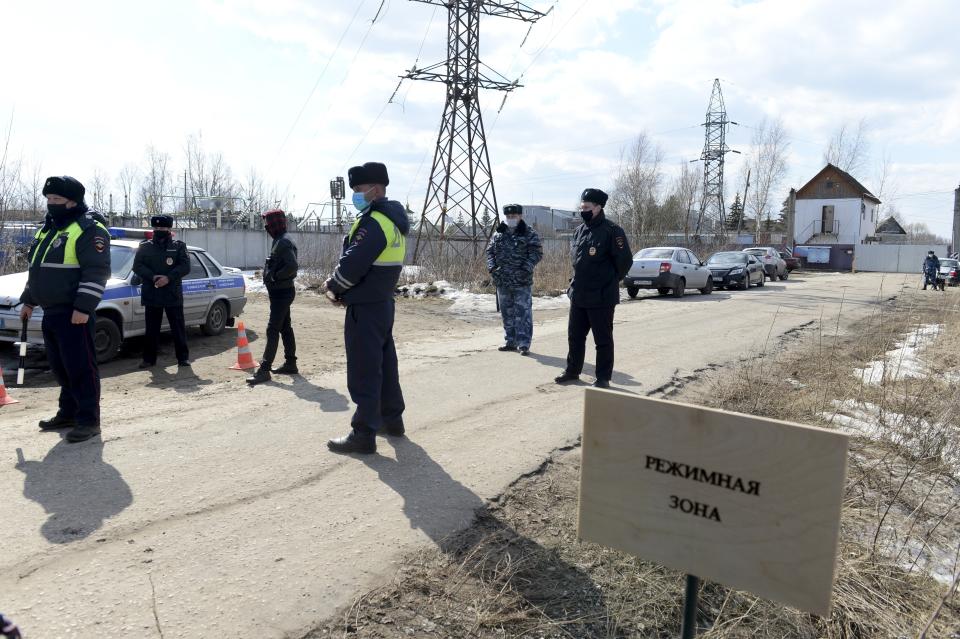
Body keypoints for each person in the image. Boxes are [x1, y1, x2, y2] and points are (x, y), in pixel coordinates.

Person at [323, 162, 408, 454]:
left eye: (359, 190)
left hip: (366, 307)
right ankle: (391, 419)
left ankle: (363, 433)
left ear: (376, 188)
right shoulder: (393, 221)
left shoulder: (374, 222)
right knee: (385, 365)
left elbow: (353, 264)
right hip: (383, 302)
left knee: (364, 369)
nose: (356, 196)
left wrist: (333, 287)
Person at [19, 176, 111, 443]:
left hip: (74, 313)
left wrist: (83, 307)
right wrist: (28, 301)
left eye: (57, 200)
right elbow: (36, 271)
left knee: (81, 367)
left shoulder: (89, 230)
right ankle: (68, 412)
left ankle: (88, 420)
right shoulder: (47, 230)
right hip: (51, 312)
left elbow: (97, 272)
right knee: (61, 368)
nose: (51, 204)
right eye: (48, 199)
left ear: (72, 202)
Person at [554, 188, 632, 389]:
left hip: (601, 296)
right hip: (579, 294)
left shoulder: (613, 231)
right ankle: (572, 371)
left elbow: (624, 262)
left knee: (602, 340)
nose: (583, 211)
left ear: (598, 207)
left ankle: (603, 377)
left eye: (587, 207)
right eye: (582, 207)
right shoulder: (580, 231)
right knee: (575, 337)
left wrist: (609, 281)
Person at [247, 209, 299, 385]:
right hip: (281, 292)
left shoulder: (283, 241)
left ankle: (264, 370)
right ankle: (291, 363)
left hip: (282, 293)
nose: (266, 228)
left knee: (272, 329)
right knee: (285, 327)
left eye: (268, 224)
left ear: (274, 225)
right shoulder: (281, 239)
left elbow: (292, 266)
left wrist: (275, 276)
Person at [132, 215, 191, 368]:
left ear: (169, 228)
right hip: (152, 293)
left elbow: (185, 267)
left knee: (178, 328)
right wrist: (153, 277)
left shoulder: (179, 246)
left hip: (172, 293)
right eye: (156, 228)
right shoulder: (145, 246)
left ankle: (183, 358)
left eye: (162, 228)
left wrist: (168, 278)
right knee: (151, 329)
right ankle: (149, 359)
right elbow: (137, 266)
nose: (159, 230)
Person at [485, 204, 543, 355]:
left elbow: (536, 253)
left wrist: (527, 267)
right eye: (509, 217)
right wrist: (492, 268)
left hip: (521, 280)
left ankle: (524, 344)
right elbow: (490, 252)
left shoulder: (529, 233)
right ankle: (510, 341)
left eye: (514, 216)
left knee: (523, 313)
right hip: (502, 280)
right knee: (507, 313)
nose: (511, 219)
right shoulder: (499, 233)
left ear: (520, 216)